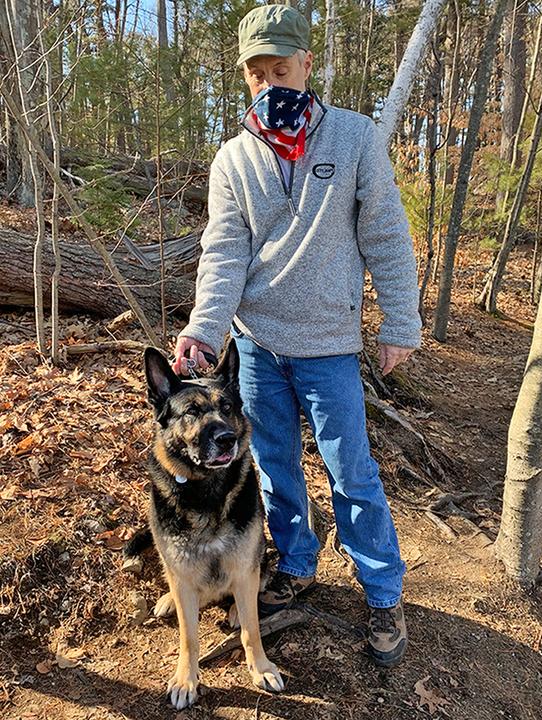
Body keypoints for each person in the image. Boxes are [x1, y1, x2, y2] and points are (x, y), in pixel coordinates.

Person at [171, 3, 418, 667]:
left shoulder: (354, 138)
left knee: (351, 472)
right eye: (257, 74)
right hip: (255, 346)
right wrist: (205, 328)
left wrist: (400, 322)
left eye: (281, 69)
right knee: (275, 467)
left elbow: (387, 235)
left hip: (329, 346)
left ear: (307, 65)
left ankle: (383, 593)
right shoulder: (233, 158)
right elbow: (224, 251)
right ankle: (298, 563)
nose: (270, 84)